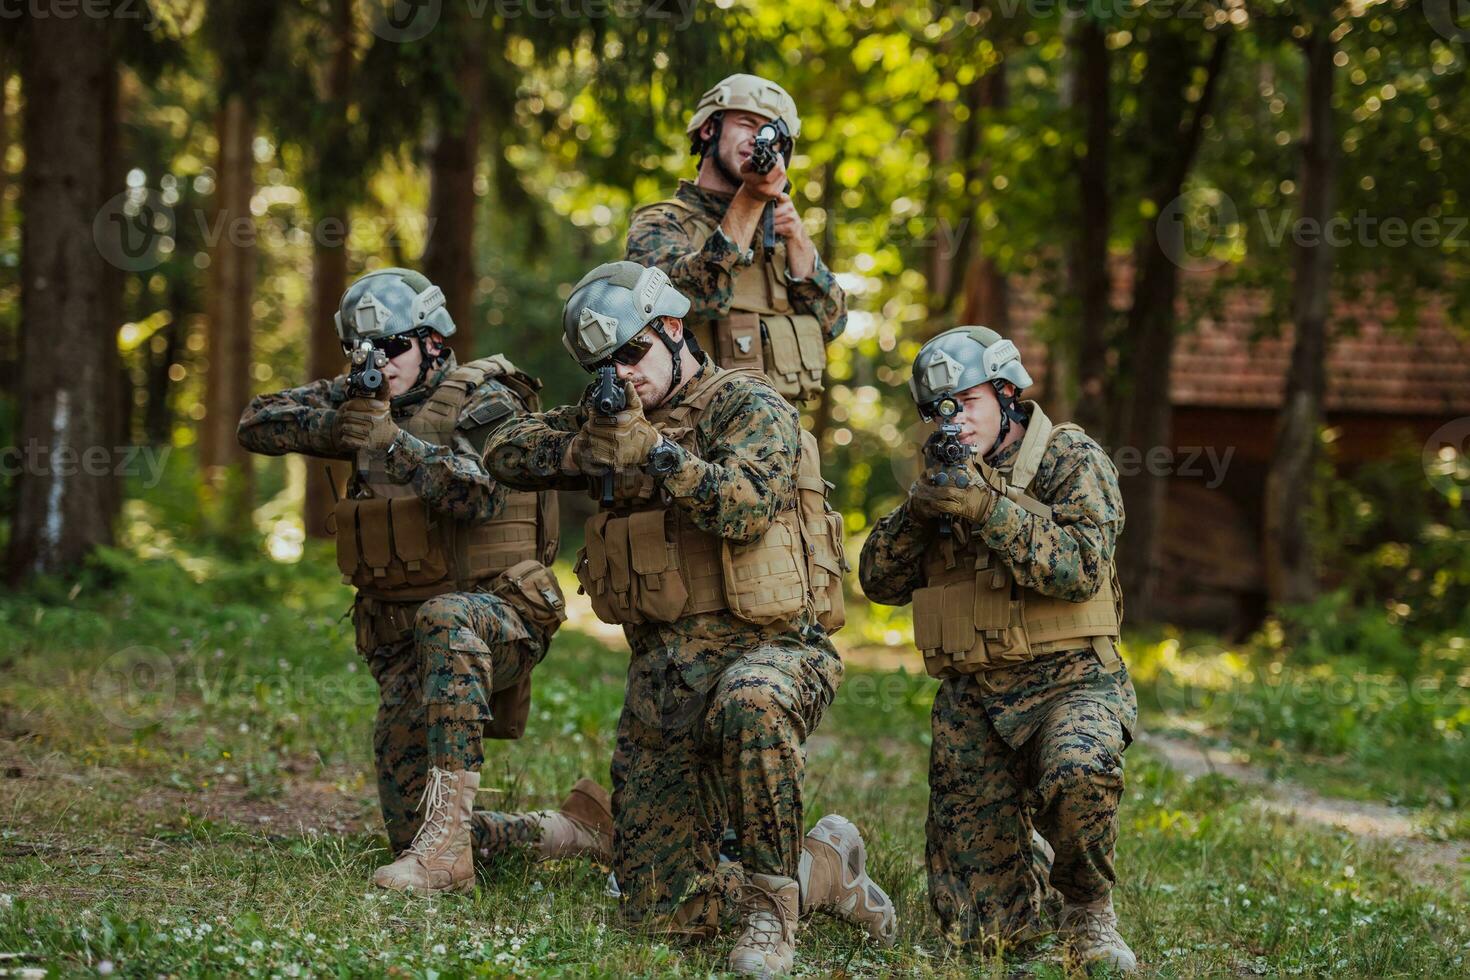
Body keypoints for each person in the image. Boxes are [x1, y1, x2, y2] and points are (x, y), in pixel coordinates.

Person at [484, 260, 894, 975]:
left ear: (673, 329)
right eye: (604, 366)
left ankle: (773, 912)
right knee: (666, 918)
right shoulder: (612, 416)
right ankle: (827, 868)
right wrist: (588, 445)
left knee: (753, 703)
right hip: (670, 680)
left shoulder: (746, 403)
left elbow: (745, 505)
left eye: (634, 355)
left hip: (774, 650)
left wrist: (660, 455)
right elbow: (504, 452)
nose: (625, 376)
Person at [237, 268, 610, 893]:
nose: (377, 362)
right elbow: (256, 422)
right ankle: (568, 830)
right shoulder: (366, 392)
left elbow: (480, 494)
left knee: (448, 617)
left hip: (500, 614)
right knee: (411, 831)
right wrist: (341, 427)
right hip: (404, 639)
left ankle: (448, 855)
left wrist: (391, 444)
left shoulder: (488, 400)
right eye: (364, 350)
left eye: (392, 347)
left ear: (433, 342)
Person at [858, 327, 1138, 971]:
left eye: (966, 401)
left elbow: (1080, 568)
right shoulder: (940, 478)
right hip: (975, 700)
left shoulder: (1071, 458)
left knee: (1078, 769)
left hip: (1071, 681)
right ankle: (1027, 861)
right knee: (980, 937)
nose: (950, 419)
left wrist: (988, 507)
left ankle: (1089, 911)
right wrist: (919, 511)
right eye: (936, 410)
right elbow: (878, 581)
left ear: (1008, 393)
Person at [626, 73, 845, 405]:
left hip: (786, 448)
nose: (758, 139)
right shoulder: (661, 222)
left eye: (771, 134)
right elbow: (691, 299)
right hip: (697, 442)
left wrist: (798, 239)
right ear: (708, 128)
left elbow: (832, 324)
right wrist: (752, 198)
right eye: (747, 123)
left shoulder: (779, 232)